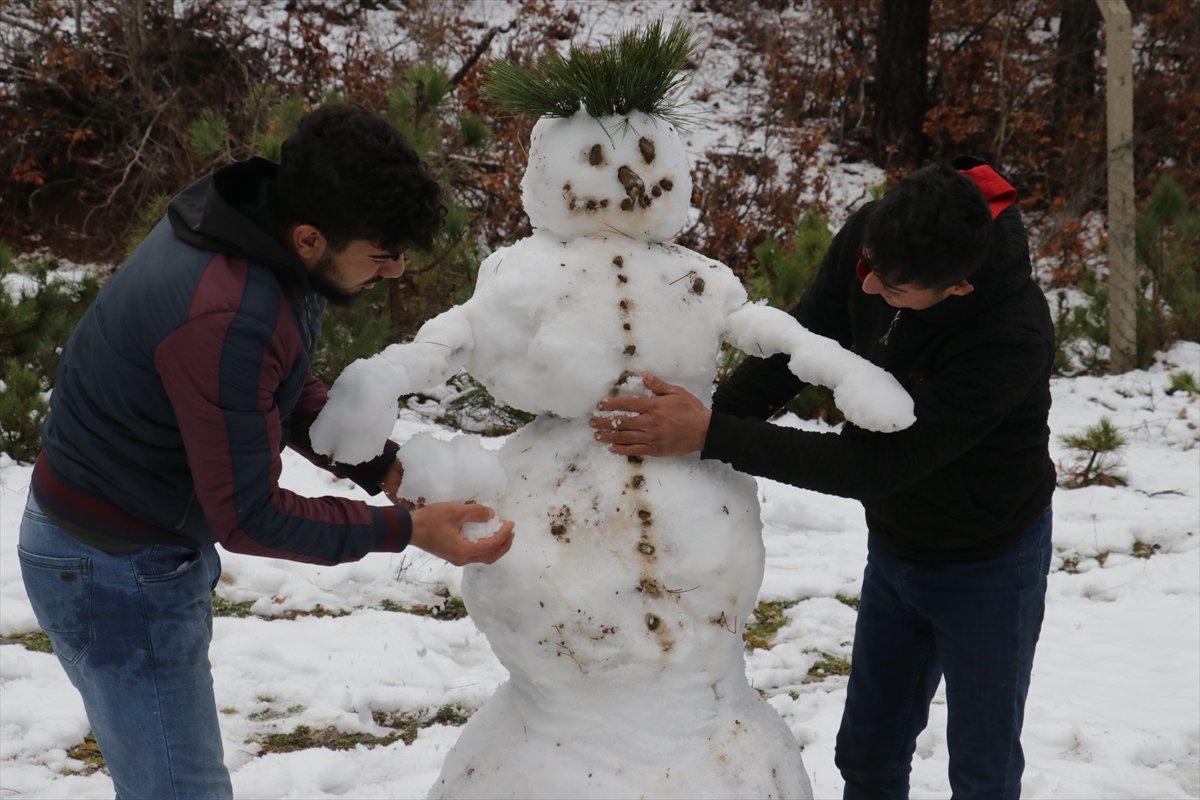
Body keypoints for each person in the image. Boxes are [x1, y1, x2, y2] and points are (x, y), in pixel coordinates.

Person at [18, 105, 515, 799]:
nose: (397, 272)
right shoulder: (227, 308)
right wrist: (407, 530)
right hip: (111, 566)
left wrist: (382, 467)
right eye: (382, 255)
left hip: (129, 542)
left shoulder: (254, 233)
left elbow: (269, 385)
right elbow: (249, 515)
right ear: (310, 238)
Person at [590, 157, 1055, 800]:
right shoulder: (879, 238)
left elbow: (877, 464)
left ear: (958, 289)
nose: (869, 289)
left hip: (989, 559)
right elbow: (803, 343)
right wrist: (704, 424)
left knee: (983, 771)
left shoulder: (1011, 336)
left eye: (892, 290)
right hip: (896, 545)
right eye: (868, 268)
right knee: (867, 754)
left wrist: (712, 435)